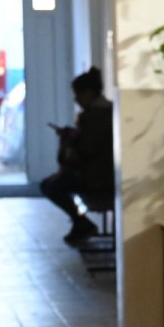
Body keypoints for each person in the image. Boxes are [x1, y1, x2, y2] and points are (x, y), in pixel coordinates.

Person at [40, 67, 115, 246]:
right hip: (97, 172)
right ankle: (79, 222)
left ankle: (81, 223)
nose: (76, 99)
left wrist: (71, 139)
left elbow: (87, 149)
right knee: (49, 184)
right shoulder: (101, 112)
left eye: (78, 94)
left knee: (52, 187)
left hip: (99, 176)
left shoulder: (97, 115)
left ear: (89, 93)